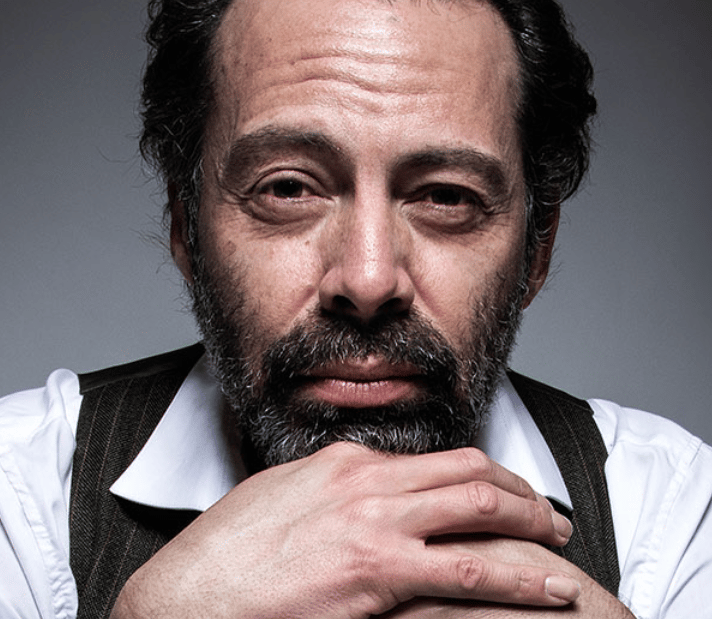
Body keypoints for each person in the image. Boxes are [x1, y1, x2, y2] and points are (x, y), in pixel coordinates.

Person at [1, 0, 710, 617]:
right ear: (186, 226)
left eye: (446, 196)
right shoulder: (22, 491)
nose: (368, 281)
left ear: (537, 245)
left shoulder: (670, 514)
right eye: (288, 188)